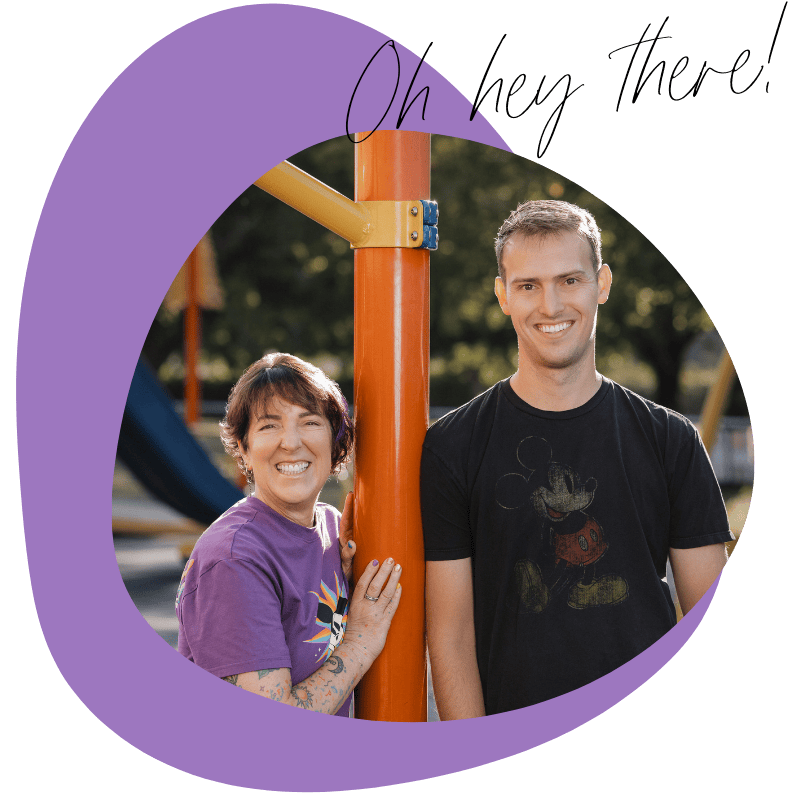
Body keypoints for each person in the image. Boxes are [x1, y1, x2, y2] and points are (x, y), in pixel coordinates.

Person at [422, 199, 733, 718]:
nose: (550, 306)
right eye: (528, 285)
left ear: (601, 283)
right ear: (502, 295)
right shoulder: (453, 446)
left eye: (569, 280)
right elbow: (450, 637)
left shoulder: (670, 440)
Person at [176, 352, 402, 717]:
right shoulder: (234, 559)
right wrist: (360, 642)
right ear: (245, 449)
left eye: (309, 421)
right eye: (269, 426)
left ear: (335, 441)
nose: (291, 442)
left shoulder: (331, 528)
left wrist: (347, 576)